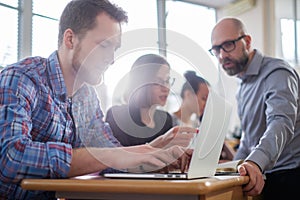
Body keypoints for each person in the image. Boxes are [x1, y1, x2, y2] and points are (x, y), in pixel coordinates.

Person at [0, 0, 196, 199]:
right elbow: (11, 158)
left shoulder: (87, 98)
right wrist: (107, 155)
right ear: (70, 39)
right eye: (104, 45)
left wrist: (159, 153)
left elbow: (115, 159)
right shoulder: (22, 78)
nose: (111, 59)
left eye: (115, 49)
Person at [209, 17, 300, 199]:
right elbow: (248, 141)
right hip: (265, 177)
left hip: (289, 177)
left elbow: (280, 122)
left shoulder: (277, 73)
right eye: (216, 49)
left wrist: (255, 162)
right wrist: (228, 169)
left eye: (228, 45)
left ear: (247, 41)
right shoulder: (243, 85)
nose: (222, 55)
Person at [105, 54, 175, 146]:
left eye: (167, 80)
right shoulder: (118, 116)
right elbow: (117, 156)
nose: (166, 88)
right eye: (158, 81)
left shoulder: (166, 120)